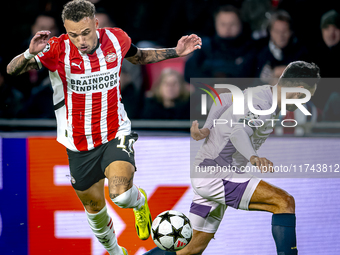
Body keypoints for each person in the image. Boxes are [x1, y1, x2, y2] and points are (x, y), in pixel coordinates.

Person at [6, 1, 202, 254]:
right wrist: (29, 54)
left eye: (86, 32)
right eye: (74, 34)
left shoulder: (116, 38)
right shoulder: (56, 49)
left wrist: (175, 52)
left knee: (120, 195)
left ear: (96, 24)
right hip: (77, 143)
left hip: (114, 132)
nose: (81, 41)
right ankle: (116, 251)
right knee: (95, 210)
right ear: (66, 30)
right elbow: (12, 71)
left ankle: (139, 202)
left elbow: (139, 56)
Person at [144, 61, 320, 255]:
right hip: (217, 173)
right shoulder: (264, 104)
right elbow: (239, 132)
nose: (304, 103)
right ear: (300, 90)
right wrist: (253, 157)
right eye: (307, 97)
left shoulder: (264, 93)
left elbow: (226, 98)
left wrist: (207, 127)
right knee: (284, 202)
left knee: (189, 249)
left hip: (208, 171)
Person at [184, 5, 257, 81]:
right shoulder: (203, 46)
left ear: (240, 24)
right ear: (215, 24)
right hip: (206, 90)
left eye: (232, 24)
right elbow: (190, 73)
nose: (227, 28)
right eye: (223, 24)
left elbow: (249, 75)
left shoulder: (250, 49)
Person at [256, 10, 309, 84]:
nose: (281, 36)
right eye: (277, 31)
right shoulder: (262, 54)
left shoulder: (301, 51)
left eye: (284, 31)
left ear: (291, 32)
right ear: (270, 32)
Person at [312, 9, 340, 109]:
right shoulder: (312, 54)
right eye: (327, 28)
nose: (331, 33)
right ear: (322, 30)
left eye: (336, 28)